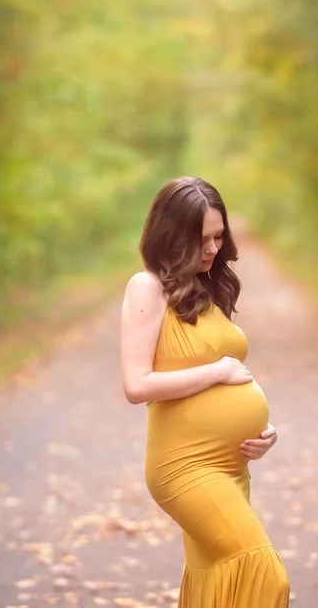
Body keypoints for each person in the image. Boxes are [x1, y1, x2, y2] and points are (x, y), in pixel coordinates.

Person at [119, 176, 290, 607]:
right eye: (201, 241)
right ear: (170, 236)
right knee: (264, 575)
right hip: (186, 466)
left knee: (219, 586)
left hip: (231, 467)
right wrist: (216, 373)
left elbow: (230, 375)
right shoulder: (147, 287)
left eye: (218, 237)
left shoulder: (206, 288)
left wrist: (262, 429)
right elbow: (137, 385)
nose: (213, 249)